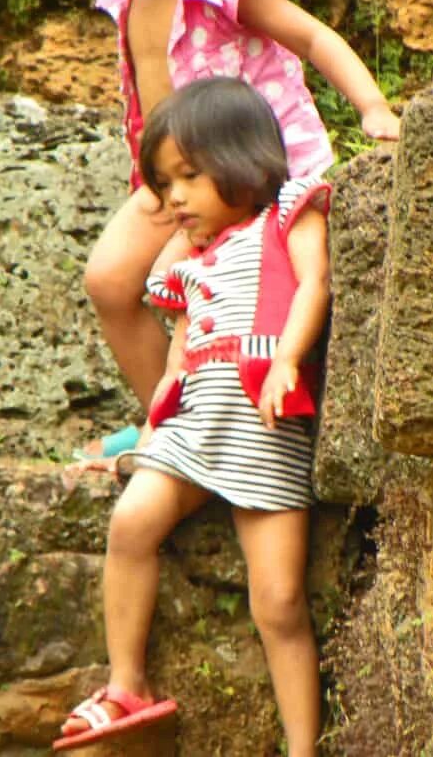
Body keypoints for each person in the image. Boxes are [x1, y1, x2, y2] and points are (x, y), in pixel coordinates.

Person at [61, 0, 399, 459]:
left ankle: (211, 423)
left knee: (190, 285)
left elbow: (314, 38)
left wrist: (372, 105)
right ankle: (167, 418)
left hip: (248, 181)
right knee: (109, 281)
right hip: (174, 180)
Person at [54, 77, 332, 754]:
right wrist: (157, 417)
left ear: (244, 159)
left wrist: (291, 358)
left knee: (280, 602)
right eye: (163, 182)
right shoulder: (196, 260)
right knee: (131, 522)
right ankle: (127, 683)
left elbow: (314, 284)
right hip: (196, 421)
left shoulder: (288, 213)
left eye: (188, 176)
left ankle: (303, 749)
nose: (172, 197)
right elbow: (181, 343)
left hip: (263, 425)